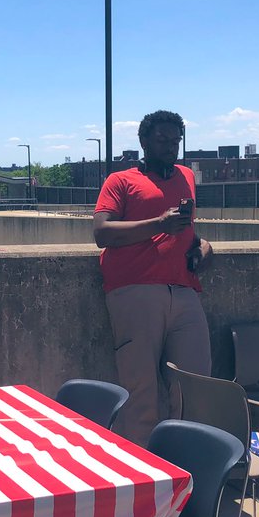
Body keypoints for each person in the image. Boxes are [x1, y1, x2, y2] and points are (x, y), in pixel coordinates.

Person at [93, 110, 213, 447]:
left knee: (194, 386)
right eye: (162, 140)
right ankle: (147, 476)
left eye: (176, 141)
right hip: (135, 291)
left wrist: (204, 248)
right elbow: (102, 232)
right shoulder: (120, 181)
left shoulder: (186, 177)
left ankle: (188, 468)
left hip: (185, 290)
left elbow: (188, 231)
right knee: (141, 389)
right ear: (144, 141)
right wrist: (158, 224)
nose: (170, 147)